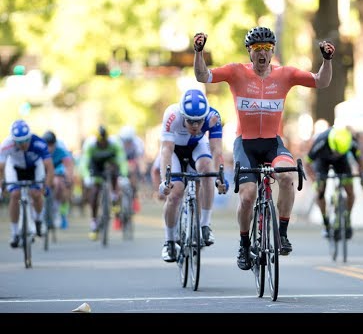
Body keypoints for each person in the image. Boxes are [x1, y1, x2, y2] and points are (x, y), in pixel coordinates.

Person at [193, 26, 335, 270]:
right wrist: (198, 52)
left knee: (289, 176)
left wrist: (327, 59)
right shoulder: (236, 72)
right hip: (245, 144)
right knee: (247, 195)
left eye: (267, 48)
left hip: (272, 143)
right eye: (257, 49)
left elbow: (322, 81)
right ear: (249, 52)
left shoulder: (285, 74)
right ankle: (244, 244)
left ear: (272, 52)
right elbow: (202, 76)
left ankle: (282, 232)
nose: (262, 53)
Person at [155, 88, 228, 263]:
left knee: (207, 170)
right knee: (175, 193)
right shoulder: (172, 115)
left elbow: (217, 149)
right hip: (175, 151)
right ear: (182, 115)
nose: (195, 126)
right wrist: (165, 180)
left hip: (197, 147)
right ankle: (170, 241)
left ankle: (205, 225)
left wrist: (220, 175)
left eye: (198, 121)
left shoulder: (213, 117)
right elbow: (166, 149)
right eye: (190, 121)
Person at [304, 126, 363, 240]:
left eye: (340, 152)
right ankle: (326, 222)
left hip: (342, 162)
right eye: (336, 152)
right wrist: (315, 181)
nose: (337, 154)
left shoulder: (350, 141)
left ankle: (347, 218)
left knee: (350, 191)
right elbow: (307, 163)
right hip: (322, 161)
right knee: (320, 191)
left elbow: (360, 161)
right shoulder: (321, 142)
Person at [0, 120, 54, 247]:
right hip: (15, 168)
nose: (23, 144)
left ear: (29, 137)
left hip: (34, 167)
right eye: (18, 142)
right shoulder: (6, 145)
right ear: (13, 140)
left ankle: (39, 220)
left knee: (36, 194)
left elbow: (49, 168)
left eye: (25, 140)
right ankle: (14, 233)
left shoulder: (39, 143)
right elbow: (1, 169)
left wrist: (46, 186)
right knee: (14, 195)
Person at [80, 125, 128, 240]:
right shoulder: (90, 145)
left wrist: (124, 175)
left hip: (111, 163)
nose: (102, 144)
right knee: (95, 191)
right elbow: (84, 164)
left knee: (114, 172)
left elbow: (122, 161)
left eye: (104, 142)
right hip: (96, 165)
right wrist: (87, 177)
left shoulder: (114, 143)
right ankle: (94, 222)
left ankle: (114, 197)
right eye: (100, 142)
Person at [42, 130, 75, 229]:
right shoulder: (40, 150)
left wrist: (68, 178)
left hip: (58, 169)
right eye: (47, 145)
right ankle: (42, 210)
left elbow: (69, 165)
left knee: (59, 184)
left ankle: (61, 214)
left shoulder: (61, 150)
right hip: (44, 169)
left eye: (51, 144)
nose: (49, 147)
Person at [117, 125, 145, 214]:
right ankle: (117, 205)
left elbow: (140, 159)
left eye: (129, 141)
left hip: (132, 160)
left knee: (133, 171)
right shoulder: (117, 143)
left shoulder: (138, 143)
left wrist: (142, 172)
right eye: (125, 140)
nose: (127, 143)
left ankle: (134, 195)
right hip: (121, 160)